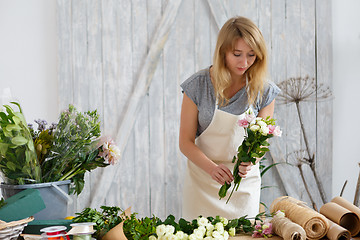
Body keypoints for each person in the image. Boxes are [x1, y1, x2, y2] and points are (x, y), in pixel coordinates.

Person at [179, 16, 281, 220]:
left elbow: (261, 143)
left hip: (243, 188)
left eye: (251, 55)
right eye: (237, 54)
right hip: (202, 183)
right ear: (223, 51)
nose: (244, 62)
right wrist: (212, 168)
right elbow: (185, 142)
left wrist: (252, 160)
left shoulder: (265, 91)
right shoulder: (198, 86)